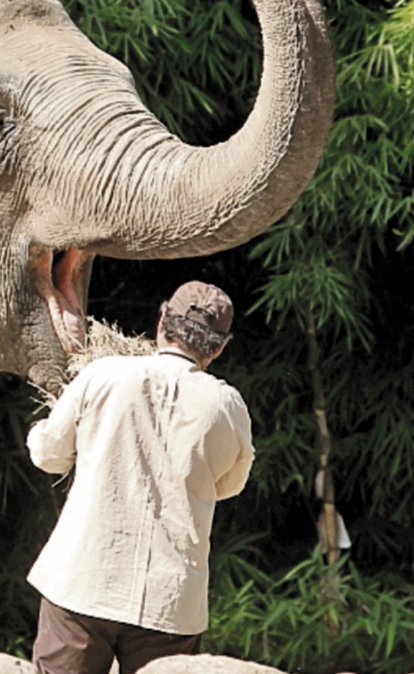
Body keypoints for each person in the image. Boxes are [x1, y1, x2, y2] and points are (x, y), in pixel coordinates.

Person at [26, 281, 254, 674]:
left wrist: (40, 431)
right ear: (219, 347)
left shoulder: (103, 375)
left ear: (162, 320)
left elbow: (49, 456)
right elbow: (229, 485)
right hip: (169, 604)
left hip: (82, 583)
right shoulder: (226, 406)